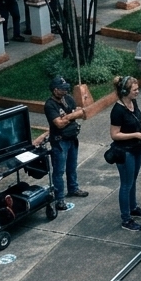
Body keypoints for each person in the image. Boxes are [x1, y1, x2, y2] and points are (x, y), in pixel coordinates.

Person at [110, 75, 141, 231]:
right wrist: (135, 135)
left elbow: (135, 118)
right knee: (126, 184)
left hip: (136, 148)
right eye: (135, 90)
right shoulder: (117, 110)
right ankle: (126, 219)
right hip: (125, 151)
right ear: (125, 91)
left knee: (133, 180)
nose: (138, 92)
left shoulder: (132, 102)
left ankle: (133, 207)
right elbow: (115, 134)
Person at [43, 76, 88, 211]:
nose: (65, 91)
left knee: (72, 166)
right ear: (55, 90)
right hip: (59, 141)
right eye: (62, 89)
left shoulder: (68, 99)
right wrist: (72, 116)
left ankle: (73, 188)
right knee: (59, 171)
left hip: (72, 138)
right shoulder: (50, 105)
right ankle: (59, 199)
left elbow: (82, 113)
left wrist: (67, 117)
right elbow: (59, 124)